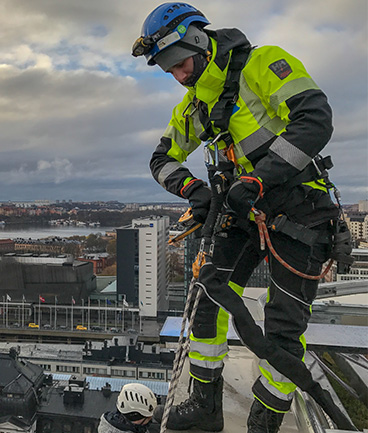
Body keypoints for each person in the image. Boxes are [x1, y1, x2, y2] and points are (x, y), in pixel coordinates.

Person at [132, 3, 341, 433]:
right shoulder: (194, 107)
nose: (178, 75)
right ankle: (205, 406)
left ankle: (263, 422)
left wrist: (260, 179)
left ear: (197, 41)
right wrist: (195, 191)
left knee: (282, 329)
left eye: (178, 62)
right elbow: (161, 159)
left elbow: (314, 119)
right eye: (167, 69)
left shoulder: (263, 65)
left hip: (300, 208)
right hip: (243, 209)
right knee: (208, 301)